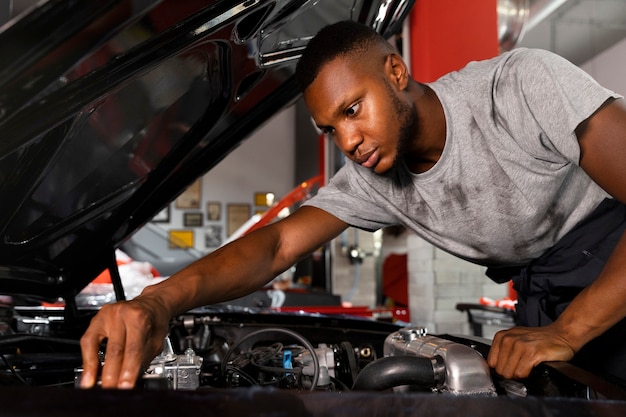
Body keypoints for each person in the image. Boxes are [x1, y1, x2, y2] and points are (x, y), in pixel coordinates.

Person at [79, 20, 626, 389]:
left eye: (353, 109)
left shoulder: (518, 86)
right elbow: (276, 246)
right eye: (330, 128)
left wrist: (568, 331)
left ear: (395, 72)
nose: (348, 141)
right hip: (544, 299)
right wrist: (160, 301)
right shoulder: (372, 179)